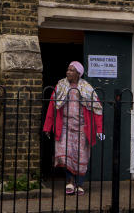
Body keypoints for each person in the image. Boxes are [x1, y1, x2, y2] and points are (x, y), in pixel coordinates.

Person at [43, 61, 103, 195]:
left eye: (72, 70)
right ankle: (70, 181)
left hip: (82, 127)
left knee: (81, 156)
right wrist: (48, 126)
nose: (68, 72)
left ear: (78, 73)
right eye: (68, 70)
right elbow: (52, 107)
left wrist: (99, 130)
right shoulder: (61, 86)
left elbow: (97, 109)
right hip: (64, 126)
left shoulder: (87, 88)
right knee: (65, 155)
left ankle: (80, 183)